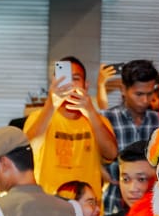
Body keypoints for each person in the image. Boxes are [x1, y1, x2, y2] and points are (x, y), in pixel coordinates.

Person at [24, 57, 118, 197]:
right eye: (64, 79)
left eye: (76, 78)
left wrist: (91, 112)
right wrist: (51, 104)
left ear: (85, 86)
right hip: (48, 206)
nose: (70, 85)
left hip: (88, 210)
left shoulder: (99, 121)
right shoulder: (38, 117)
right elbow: (27, 151)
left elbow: (111, 154)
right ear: (54, 83)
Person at [100, 61, 159, 213]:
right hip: (115, 205)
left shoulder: (158, 121)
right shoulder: (106, 120)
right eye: (139, 94)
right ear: (123, 90)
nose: (145, 100)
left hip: (152, 207)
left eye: (149, 94)